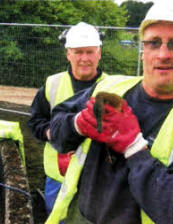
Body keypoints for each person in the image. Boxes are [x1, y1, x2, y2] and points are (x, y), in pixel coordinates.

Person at [47, 1, 173, 224]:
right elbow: (54, 131)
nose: (162, 54)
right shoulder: (108, 88)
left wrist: (135, 149)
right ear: (143, 51)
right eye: (153, 43)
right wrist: (76, 125)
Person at [27, 22, 109, 217]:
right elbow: (35, 121)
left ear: (99, 53)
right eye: (78, 52)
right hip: (58, 176)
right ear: (68, 54)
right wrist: (52, 133)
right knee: (57, 217)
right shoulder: (52, 84)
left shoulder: (112, 86)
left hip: (96, 178)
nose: (84, 58)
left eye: (90, 52)